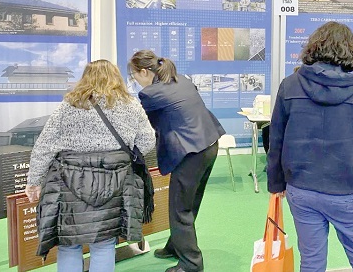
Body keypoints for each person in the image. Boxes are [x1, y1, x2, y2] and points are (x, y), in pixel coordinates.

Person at [267, 21, 353, 272]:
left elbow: (275, 139)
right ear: (352, 52)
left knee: (311, 262)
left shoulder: (289, 85)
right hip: (348, 190)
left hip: (301, 188)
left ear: (313, 48)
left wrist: (275, 184)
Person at [25, 60, 155, 272]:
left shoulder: (69, 105)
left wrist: (34, 182)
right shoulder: (131, 105)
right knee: (104, 245)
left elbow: (44, 146)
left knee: (69, 244)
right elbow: (148, 141)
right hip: (116, 180)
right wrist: (121, 156)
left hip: (68, 183)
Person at [129, 50, 225, 272]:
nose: (135, 81)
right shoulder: (181, 79)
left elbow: (142, 126)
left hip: (190, 152)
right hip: (210, 143)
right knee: (190, 203)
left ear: (144, 72)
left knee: (180, 209)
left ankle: (191, 264)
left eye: (134, 76)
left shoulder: (150, 94)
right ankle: (176, 246)